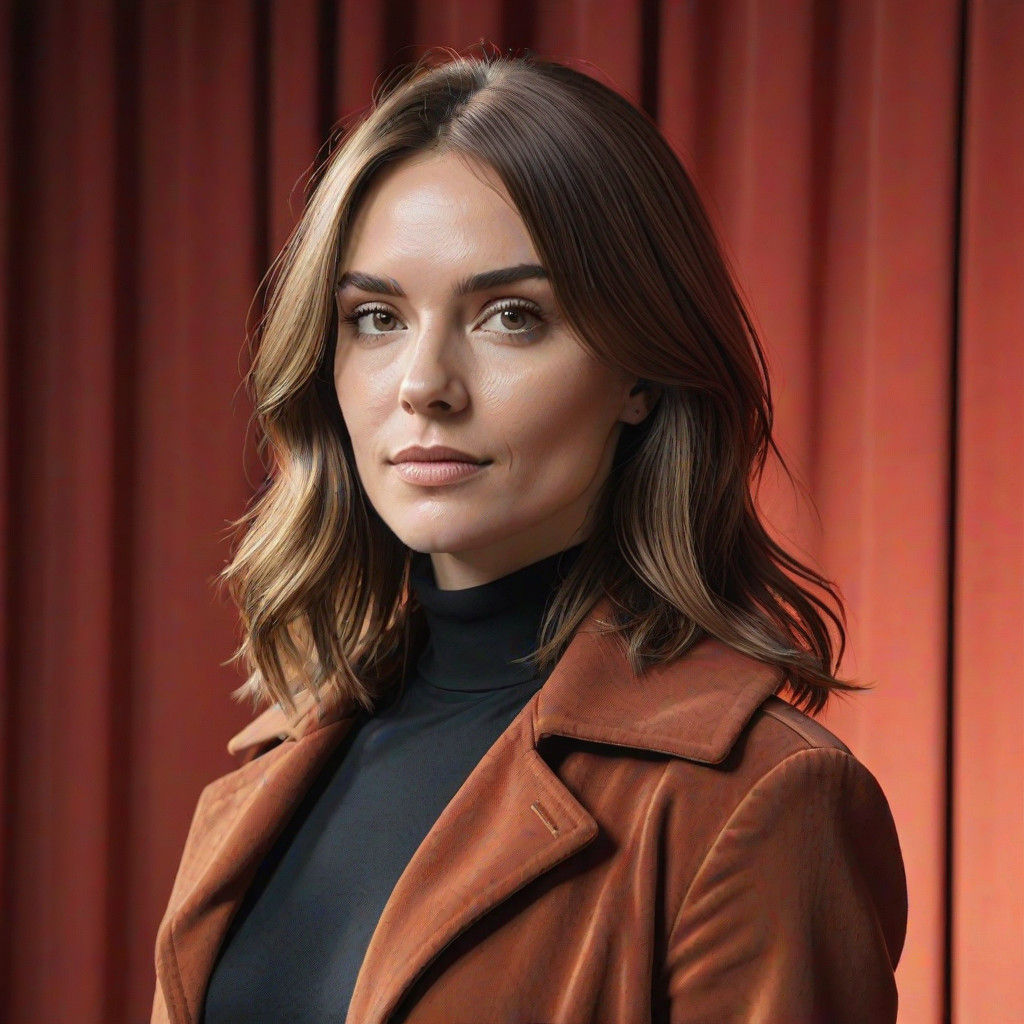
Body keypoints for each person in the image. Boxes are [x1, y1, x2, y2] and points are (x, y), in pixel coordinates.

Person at [150, 48, 907, 1024]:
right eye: (375, 317)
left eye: (511, 316)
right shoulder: (269, 772)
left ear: (640, 371)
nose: (423, 383)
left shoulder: (759, 799)